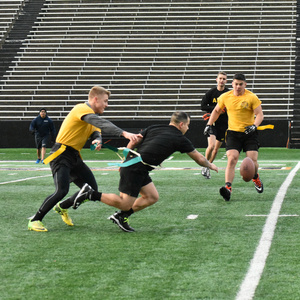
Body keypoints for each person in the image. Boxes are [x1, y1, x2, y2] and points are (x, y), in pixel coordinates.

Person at [68, 111, 218, 233]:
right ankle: (90, 194)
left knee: (152, 197)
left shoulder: (154, 127)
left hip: (136, 165)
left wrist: (125, 159)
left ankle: (122, 217)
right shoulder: (179, 138)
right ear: (181, 124)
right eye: (188, 125)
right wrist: (210, 165)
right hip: (135, 168)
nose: (188, 128)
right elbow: (198, 158)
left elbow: (134, 141)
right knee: (125, 203)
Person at [28, 85, 141, 232]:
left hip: (74, 156)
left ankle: (62, 207)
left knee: (91, 188)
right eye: (105, 101)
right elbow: (101, 124)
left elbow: (96, 131)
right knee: (61, 191)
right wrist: (124, 133)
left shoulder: (91, 116)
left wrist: (97, 140)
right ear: (95, 99)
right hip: (61, 154)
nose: (107, 105)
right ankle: (35, 220)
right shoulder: (81, 109)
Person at [204, 73, 264, 201]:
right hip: (232, 133)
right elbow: (216, 111)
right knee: (231, 159)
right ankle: (228, 188)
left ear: (245, 85)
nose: (238, 87)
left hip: (249, 133)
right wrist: (209, 125)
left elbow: (260, 114)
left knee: (252, 160)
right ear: (232, 84)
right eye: (236, 84)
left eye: (240, 84)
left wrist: (254, 125)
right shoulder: (225, 96)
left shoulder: (251, 97)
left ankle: (255, 177)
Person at [201, 71, 229, 179]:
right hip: (212, 122)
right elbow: (203, 106)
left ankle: (207, 167)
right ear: (216, 79)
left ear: (226, 81)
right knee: (211, 146)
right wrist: (216, 110)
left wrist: (224, 111)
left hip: (223, 124)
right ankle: (205, 165)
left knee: (216, 149)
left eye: (224, 79)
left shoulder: (228, 94)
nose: (222, 80)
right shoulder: (211, 93)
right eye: (220, 78)